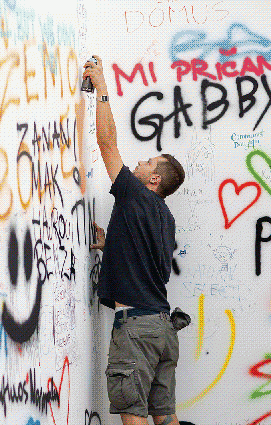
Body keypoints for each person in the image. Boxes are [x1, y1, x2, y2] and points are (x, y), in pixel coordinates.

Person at [84, 56, 185, 425]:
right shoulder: (165, 217)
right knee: (166, 416)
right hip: (163, 329)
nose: (139, 164)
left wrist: (102, 88)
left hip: (137, 329)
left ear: (154, 180)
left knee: (133, 414)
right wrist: (109, 245)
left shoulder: (132, 193)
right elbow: (144, 259)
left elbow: (106, 143)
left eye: (147, 163)